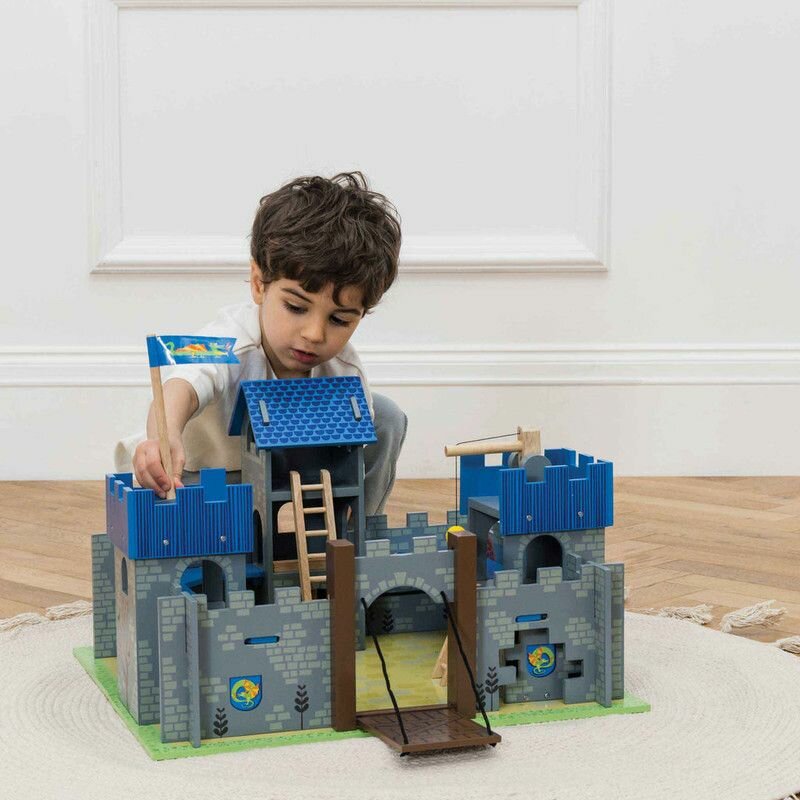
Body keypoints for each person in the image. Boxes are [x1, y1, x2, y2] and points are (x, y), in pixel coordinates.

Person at [114, 172, 407, 517]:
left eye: (340, 320)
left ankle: (360, 527)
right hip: (199, 472)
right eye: (295, 307)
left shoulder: (344, 369)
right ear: (258, 283)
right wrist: (163, 439)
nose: (315, 334)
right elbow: (182, 385)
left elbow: (354, 441)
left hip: (284, 470)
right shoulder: (232, 342)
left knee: (386, 416)